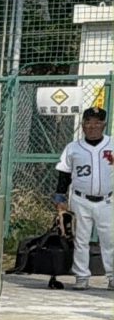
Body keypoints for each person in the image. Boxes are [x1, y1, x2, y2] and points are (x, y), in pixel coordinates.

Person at [54, 105, 111, 289]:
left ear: (104, 125)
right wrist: (60, 197)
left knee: (109, 240)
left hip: (107, 200)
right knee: (80, 240)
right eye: (88, 122)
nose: (92, 126)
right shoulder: (73, 148)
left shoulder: (111, 145)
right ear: (83, 125)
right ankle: (81, 276)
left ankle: (112, 276)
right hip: (80, 199)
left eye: (97, 122)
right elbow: (64, 173)